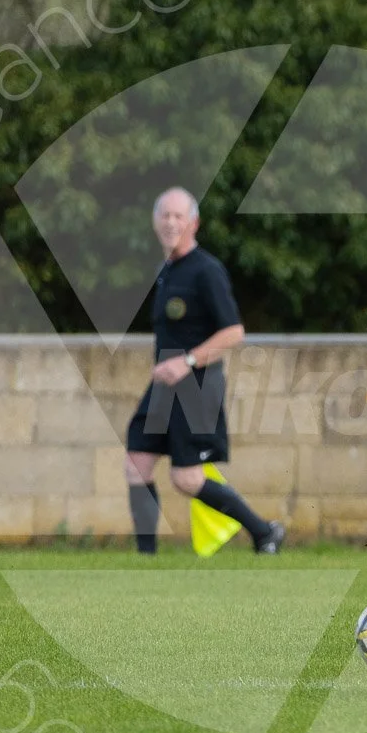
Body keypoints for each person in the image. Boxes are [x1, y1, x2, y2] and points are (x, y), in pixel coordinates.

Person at [124, 187, 285, 554]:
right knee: (136, 463)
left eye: (179, 216)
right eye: (164, 215)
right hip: (164, 387)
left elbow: (234, 333)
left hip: (196, 386)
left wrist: (187, 361)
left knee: (186, 478)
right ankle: (144, 561)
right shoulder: (165, 271)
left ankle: (264, 532)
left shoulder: (206, 270)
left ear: (194, 223)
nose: (170, 222)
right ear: (155, 222)